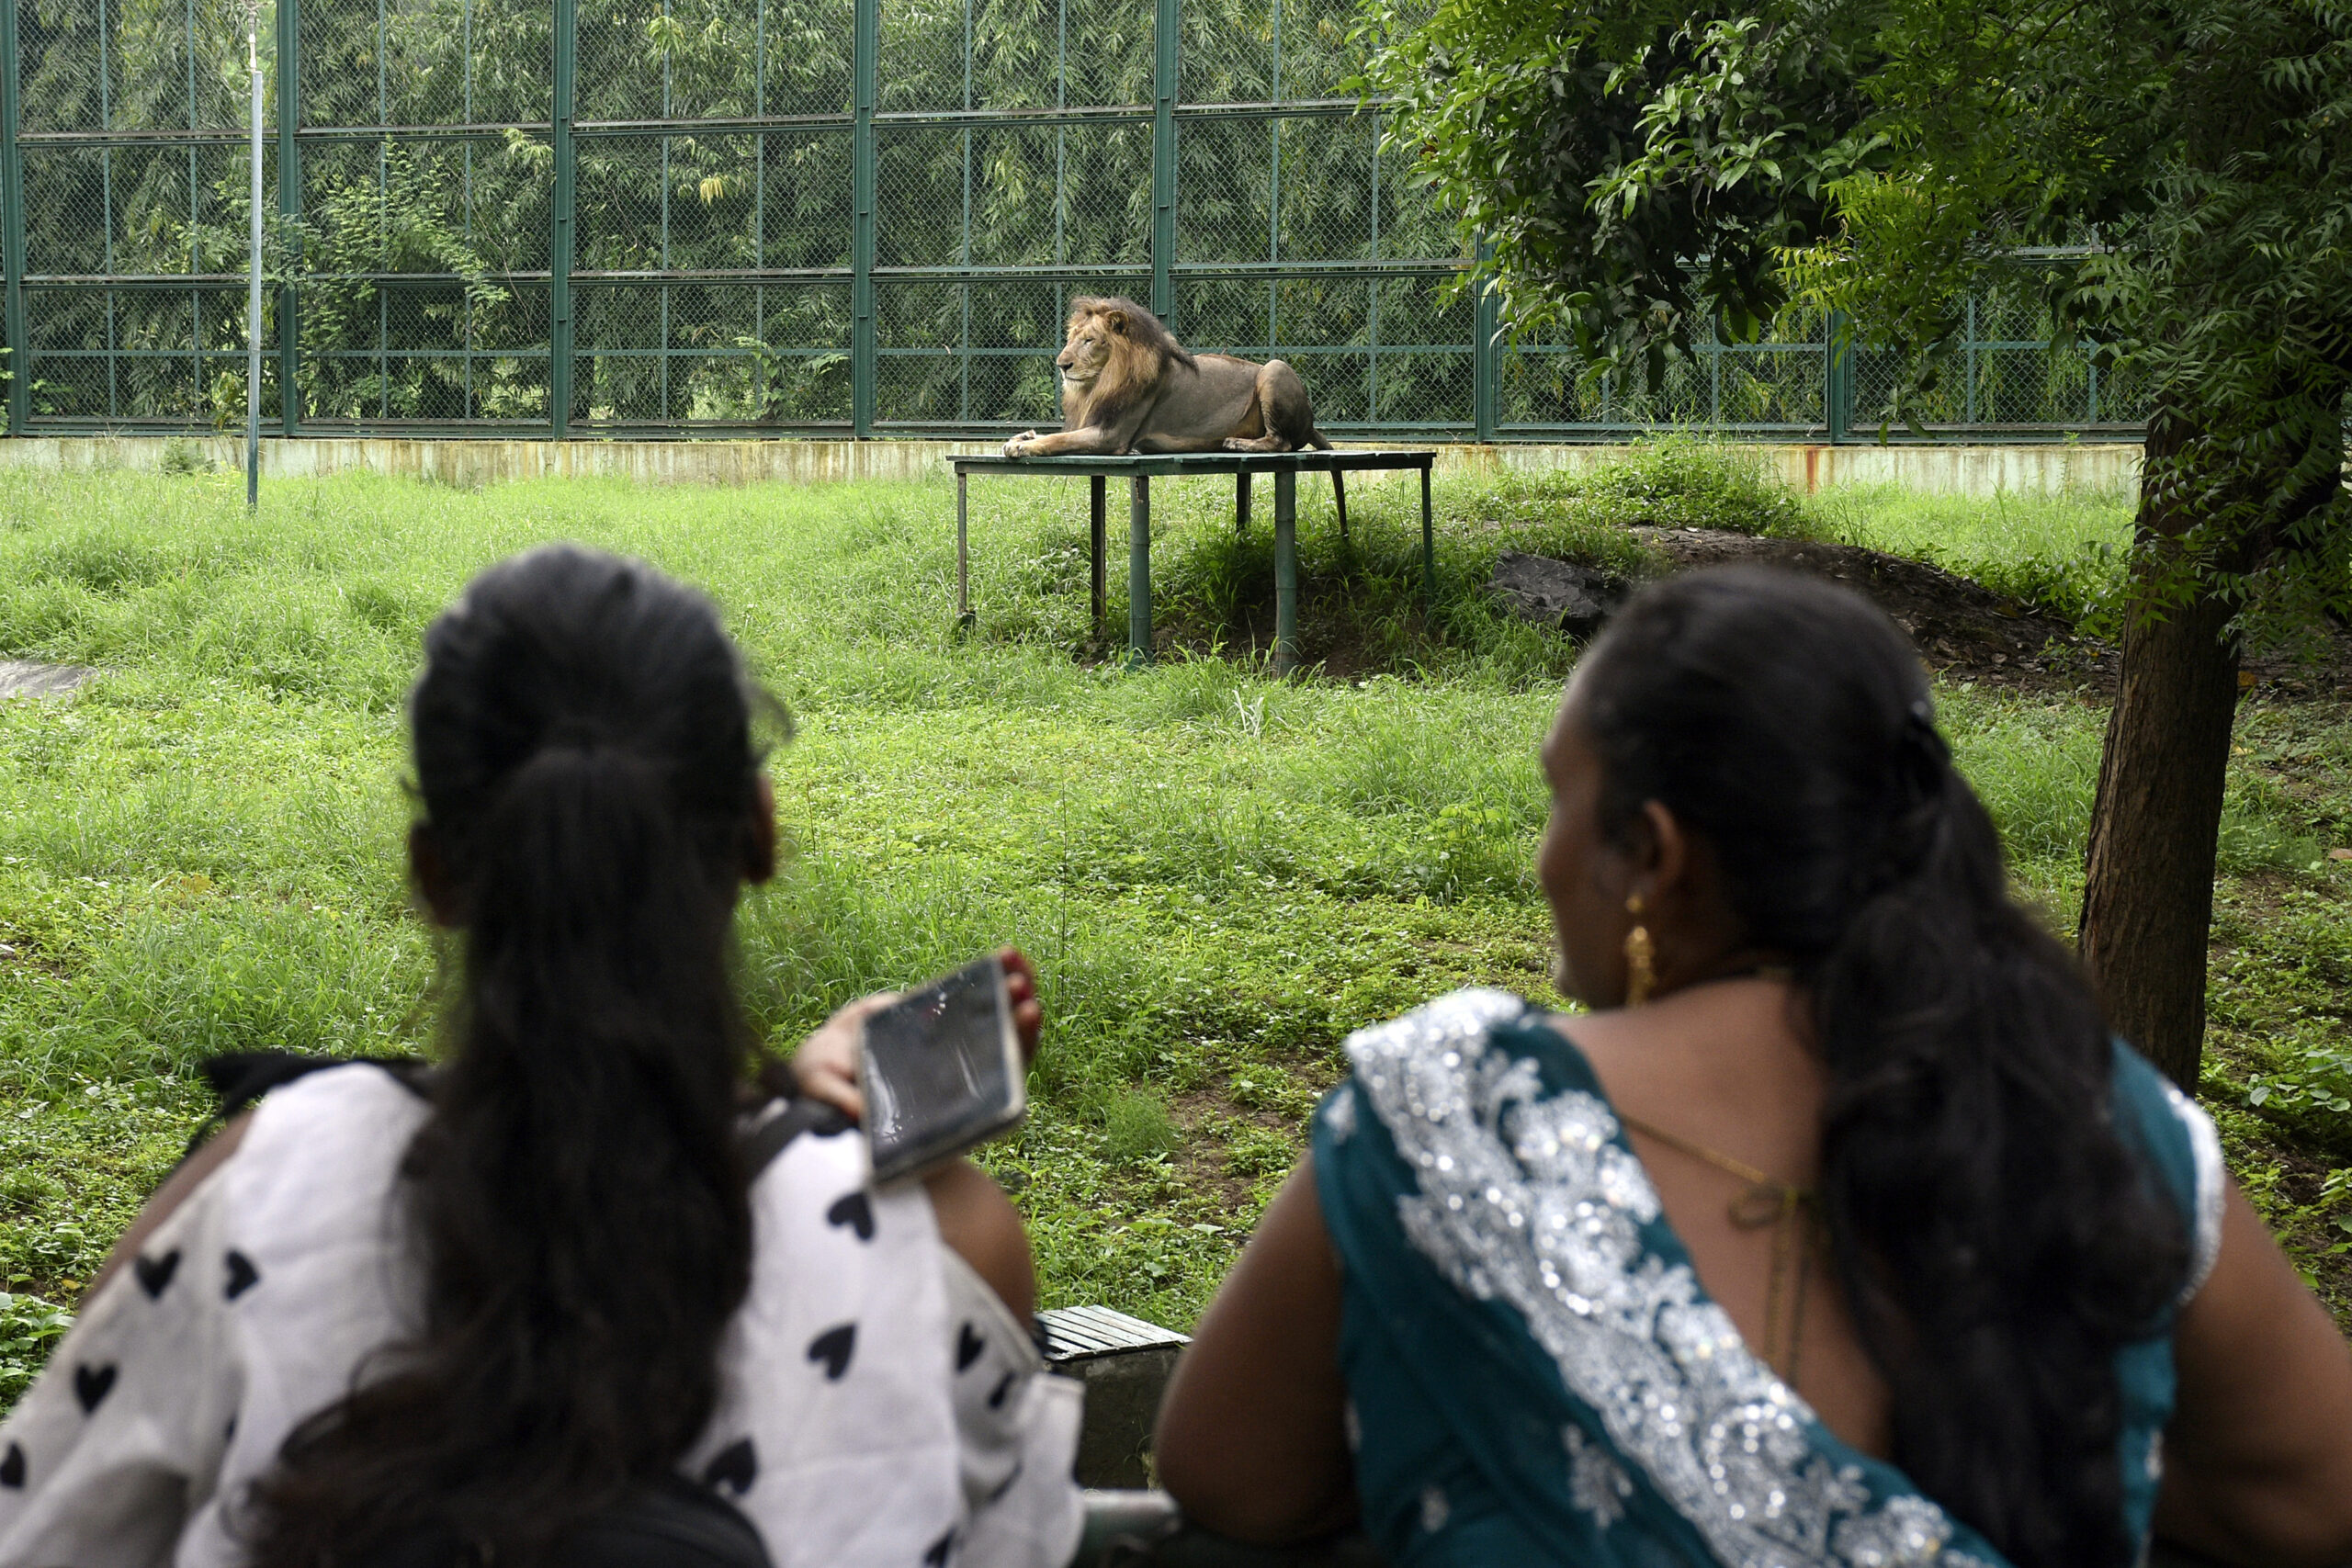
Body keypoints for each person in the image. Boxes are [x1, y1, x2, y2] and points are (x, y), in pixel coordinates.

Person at [1154, 565, 2352, 1568]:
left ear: (1652, 854)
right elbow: (2308, 1494)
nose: (1543, 857)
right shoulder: (2100, 1116)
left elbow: (1228, 1475)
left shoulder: (1450, 1113)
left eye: (1555, 802)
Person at [0, 546, 1083, 1568]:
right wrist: (796, 1130)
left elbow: (46, 1522)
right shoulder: (942, 1246)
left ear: (434, 876)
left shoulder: (256, 1187)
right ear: (759, 830)